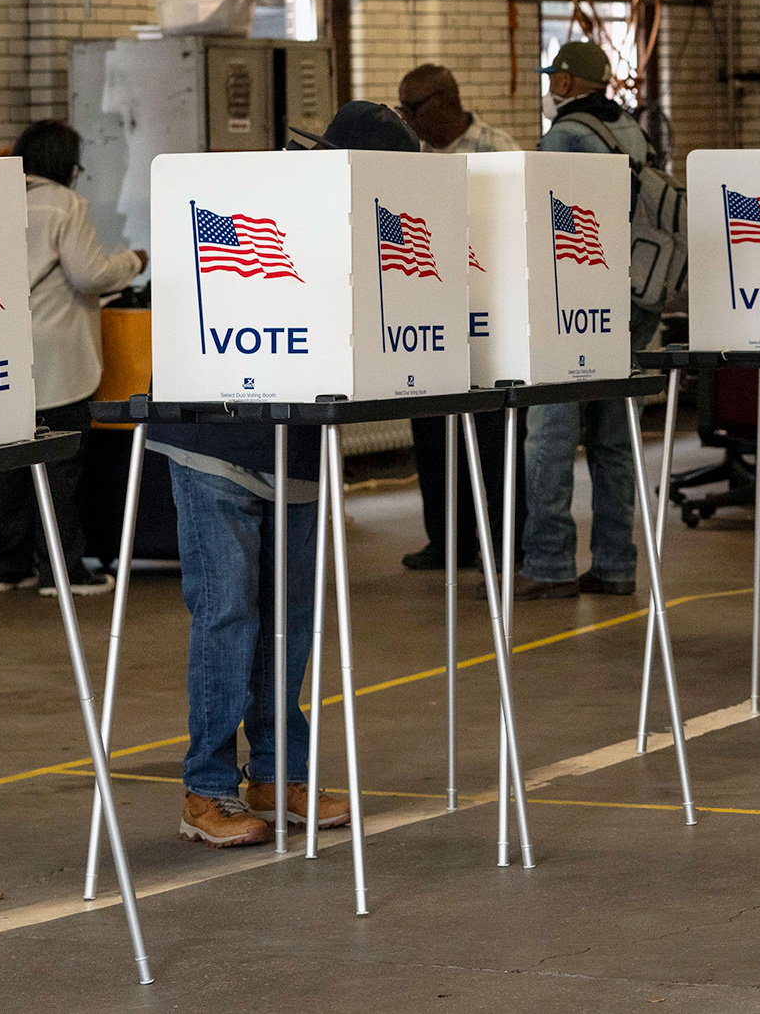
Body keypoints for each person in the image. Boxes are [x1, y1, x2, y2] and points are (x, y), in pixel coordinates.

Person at [145, 102, 405, 847]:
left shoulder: (358, 227)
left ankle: (277, 770)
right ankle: (207, 788)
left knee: (288, 622)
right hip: (217, 441)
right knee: (229, 612)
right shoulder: (267, 206)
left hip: (297, 450)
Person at [0, 120, 146, 596]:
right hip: (56, 358)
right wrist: (133, 261)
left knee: (5, 463)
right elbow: (90, 274)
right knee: (60, 466)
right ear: (64, 165)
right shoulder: (64, 204)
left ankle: (5, 567)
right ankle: (62, 570)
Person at [517, 41, 655, 599]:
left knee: (549, 433)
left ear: (571, 82)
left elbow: (551, 218)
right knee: (615, 438)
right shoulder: (630, 129)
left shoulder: (566, 135)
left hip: (576, 297)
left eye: (556, 77)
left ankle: (548, 564)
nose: (553, 86)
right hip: (636, 295)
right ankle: (616, 565)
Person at [391, 63, 523, 574]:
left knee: (492, 441)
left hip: (487, 317)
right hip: (426, 314)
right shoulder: (410, 155)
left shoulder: (499, 150)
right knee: (431, 436)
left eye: (413, 106)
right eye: (401, 106)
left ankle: (501, 541)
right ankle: (447, 541)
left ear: (446, 100)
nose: (406, 116)